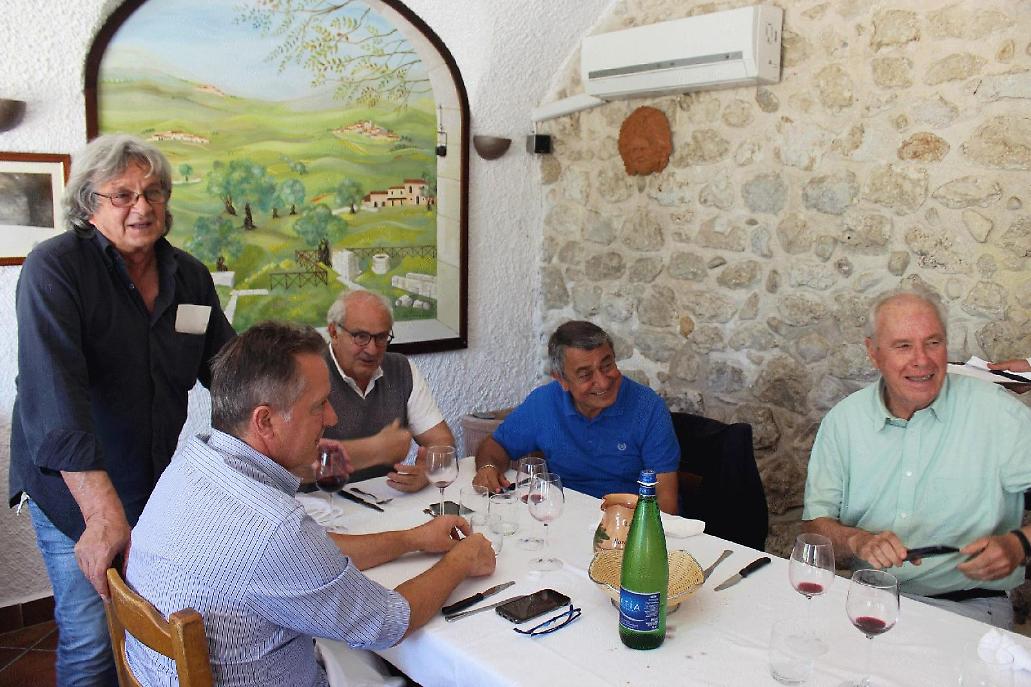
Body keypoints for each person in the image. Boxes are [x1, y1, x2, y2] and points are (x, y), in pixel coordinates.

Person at [125, 321, 495, 686]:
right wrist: (460, 561)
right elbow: (388, 623)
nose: (332, 418)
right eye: (319, 406)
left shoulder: (192, 462)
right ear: (265, 421)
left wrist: (413, 539)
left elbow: (304, 558)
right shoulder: (275, 529)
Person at [8, 134, 235, 685]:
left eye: (153, 192)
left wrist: (287, 417)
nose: (142, 207)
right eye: (123, 194)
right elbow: (56, 401)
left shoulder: (189, 276)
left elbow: (228, 372)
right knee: (90, 640)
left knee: (149, 626)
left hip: (153, 484)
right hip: (73, 491)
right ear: (89, 204)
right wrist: (101, 514)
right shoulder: (55, 268)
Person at [803, 290, 1031, 629]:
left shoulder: (998, 413)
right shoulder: (844, 421)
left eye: (933, 343)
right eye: (903, 346)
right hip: (865, 597)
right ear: (873, 352)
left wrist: (1019, 544)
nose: (921, 360)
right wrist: (856, 540)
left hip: (968, 606)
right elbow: (813, 533)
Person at [472, 320, 680, 514]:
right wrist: (488, 468)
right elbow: (495, 446)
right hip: (565, 515)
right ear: (562, 380)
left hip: (629, 519)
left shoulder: (648, 407)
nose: (603, 382)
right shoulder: (544, 403)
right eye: (585, 375)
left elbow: (666, 504)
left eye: (607, 365)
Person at [320, 289, 454, 491]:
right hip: (317, 501)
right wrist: (376, 449)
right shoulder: (308, 372)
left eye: (381, 337)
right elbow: (296, 462)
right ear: (333, 332)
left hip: (385, 498)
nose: (372, 349)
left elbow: (441, 440)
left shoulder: (401, 368)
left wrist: (428, 469)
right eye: (361, 336)